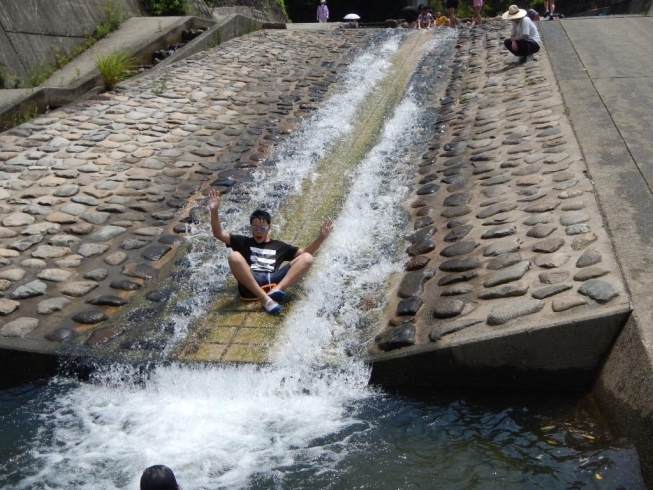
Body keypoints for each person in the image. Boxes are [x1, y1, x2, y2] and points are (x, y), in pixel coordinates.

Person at [207, 189, 333, 314]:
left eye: (262, 228)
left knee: (308, 258)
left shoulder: (279, 246)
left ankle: (276, 291)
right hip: (253, 284)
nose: (258, 231)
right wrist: (214, 210)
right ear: (251, 228)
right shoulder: (243, 242)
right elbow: (218, 233)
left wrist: (321, 238)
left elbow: (306, 252)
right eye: (255, 228)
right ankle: (264, 299)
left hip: (273, 281)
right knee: (234, 256)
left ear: (269, 228)